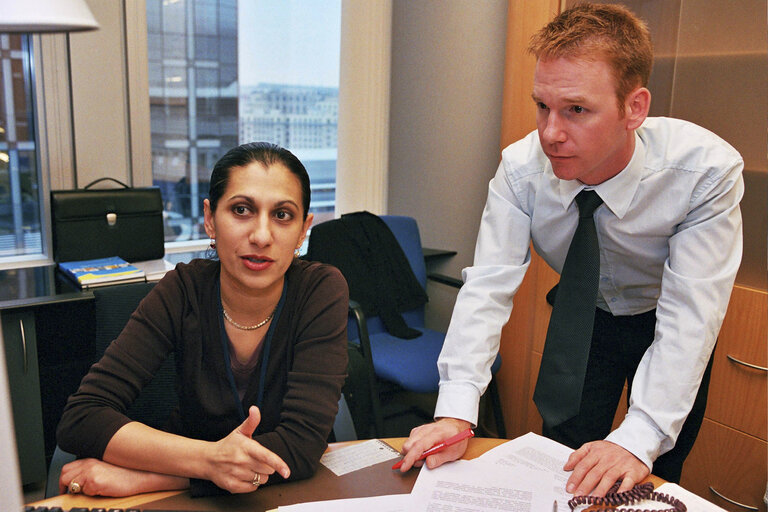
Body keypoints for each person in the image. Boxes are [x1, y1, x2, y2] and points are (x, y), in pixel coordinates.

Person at [399, 2, 743, 498]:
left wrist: (639, 438)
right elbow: (488, 287)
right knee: (565, 457)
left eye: (576, 110)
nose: (550, 133)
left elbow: (691, 315)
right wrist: (456, 409)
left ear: (635, 108)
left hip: (664, 318)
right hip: (584, 314)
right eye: (543, 106)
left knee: (651, 465)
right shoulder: (520, 170)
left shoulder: (703, 173)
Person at [56, 142, 349, 497]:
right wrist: (210, 460)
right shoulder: (182, 289)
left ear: (304, 229)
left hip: (288, 495)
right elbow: (82, 418)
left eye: (282, 215)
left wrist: (155, 479)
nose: (260, 236)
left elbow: (300, 446)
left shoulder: (320, 290)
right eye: (241, 210)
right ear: (210, 218)